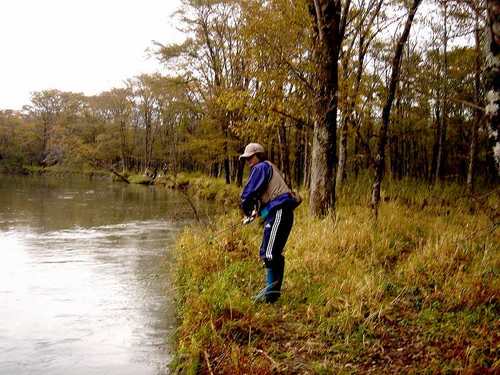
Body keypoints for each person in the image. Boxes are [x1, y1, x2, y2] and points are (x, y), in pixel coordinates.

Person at [239, 143, 299, 303]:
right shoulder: (268, 167)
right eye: (246, 159)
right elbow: (267, 198)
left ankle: (270, 297)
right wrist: (255, 213)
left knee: (269, 253)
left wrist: (246, 209)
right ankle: (272, 295)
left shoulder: (260, 167)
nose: (248, 161)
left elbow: (247, 194)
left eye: (250, 157)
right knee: (272, 253)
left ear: (258, 155)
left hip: (279, 212)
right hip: (281, 212)